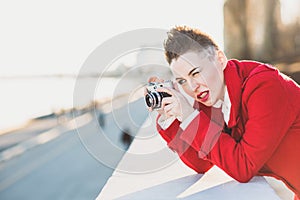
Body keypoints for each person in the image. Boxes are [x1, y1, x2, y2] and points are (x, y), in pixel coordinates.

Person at [146, 26, 300, 200]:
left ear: (220, 59)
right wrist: (172, 118)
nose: (192, 87)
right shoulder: (214, 99)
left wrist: (190, 116)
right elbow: (201, 162)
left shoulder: (265, 86)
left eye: (195, 73)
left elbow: (244, 167)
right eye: (182, 81)